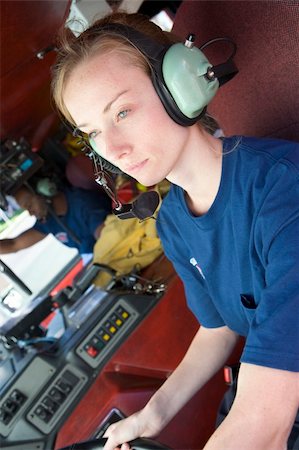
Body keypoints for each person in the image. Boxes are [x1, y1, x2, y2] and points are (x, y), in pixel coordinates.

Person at [51, 11, 299, 450]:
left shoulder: (283, 189)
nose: (112, 149)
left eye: (122, 111)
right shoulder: (173, 222)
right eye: (92, 133)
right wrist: (153, 414)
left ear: (180, 86)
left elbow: (264, 427)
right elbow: (218, 328)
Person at [0, 184, 111, 256]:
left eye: (29, 206)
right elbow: (14, 244)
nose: (30, 213)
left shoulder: (84, 203)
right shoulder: (48, 221)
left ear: (43, 191)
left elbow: (107, 238)